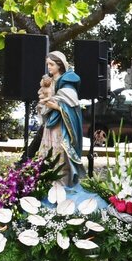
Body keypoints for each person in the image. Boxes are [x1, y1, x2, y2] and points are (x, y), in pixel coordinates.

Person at [39, 51, 86, 187]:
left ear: (60, 65)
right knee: (48, 152)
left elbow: (72, 107)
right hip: (50, 124)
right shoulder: (49, 81)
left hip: (61, 126)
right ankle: (47, 183)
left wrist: (56, 106)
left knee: (60, 154)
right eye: (48, 64)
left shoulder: (67, 83)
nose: (49, 67)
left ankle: (61, 184)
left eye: (52, 64)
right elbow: (42, 97)